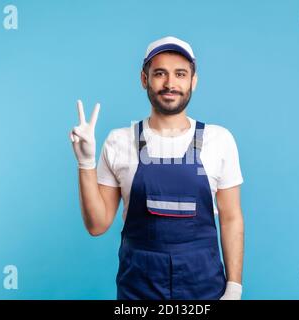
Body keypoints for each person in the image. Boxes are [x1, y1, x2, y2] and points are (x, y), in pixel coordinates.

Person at [70, 36, 244, 300]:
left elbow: (231, 217)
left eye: (180, 74)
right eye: (160, 73)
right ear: (144, 79)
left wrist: (234, 287)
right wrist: (85, 162)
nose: (170, 84)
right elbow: (97, 225)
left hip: (205, 288)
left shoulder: (219, 140)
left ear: (193, 82)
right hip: (138, 291)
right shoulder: (120, 141)